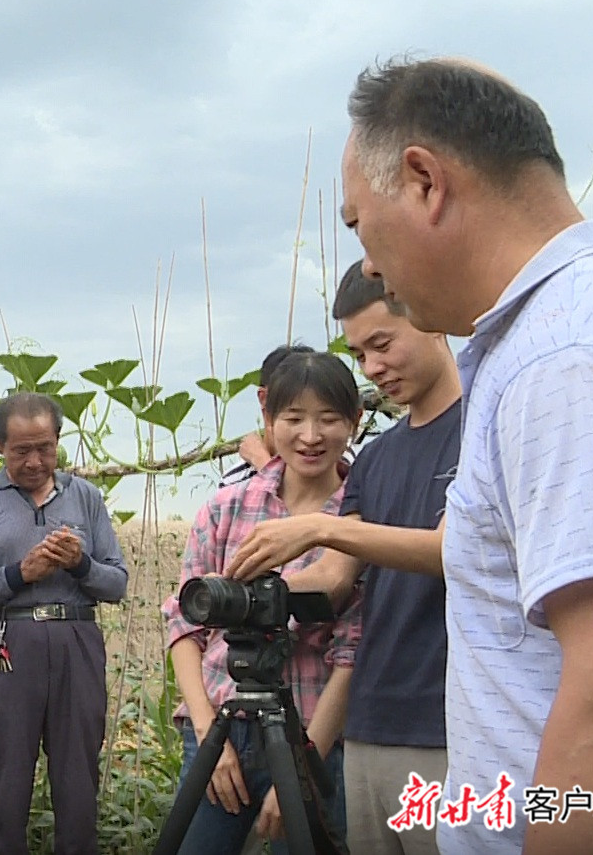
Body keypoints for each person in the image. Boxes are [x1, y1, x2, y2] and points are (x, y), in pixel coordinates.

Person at [341, 56, 593, 853]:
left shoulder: (571, 357)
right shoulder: (587, 326)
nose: (366, 262)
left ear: (423, 182)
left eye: (356, 222)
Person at [226, 262, 460, 855]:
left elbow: (450, 550)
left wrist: (316, 527)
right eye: (360, 355)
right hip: (369, 725)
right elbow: (334, 579)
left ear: (431, 319)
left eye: (382, 344)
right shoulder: (378, 458)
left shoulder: (482, 426)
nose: (373, 367)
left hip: (450, 725)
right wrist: (256, 593)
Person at [162, 351, 361, 853]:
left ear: (354, 423)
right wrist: (211, 735)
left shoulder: (360, 519)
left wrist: (306, 764)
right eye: (293, 419)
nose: (310, 436)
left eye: (329, 419)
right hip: (220, 731)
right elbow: (184, 623)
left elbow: (353, 650)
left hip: (314, 731)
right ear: (269, 423)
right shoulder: (227, 509)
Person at [0, 392, 129, 855]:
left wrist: (80, 564)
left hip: (77, 640)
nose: (34, 461)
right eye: (21, 450)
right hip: (8, 644)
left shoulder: (85, 497)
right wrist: (17, 574)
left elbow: (117, 583)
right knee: (7, 772)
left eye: (45, 448)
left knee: (78, 774)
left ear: (58, 441)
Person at [222, 343, 319, 486]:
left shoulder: (334, 468)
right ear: (264, 398)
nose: (310, 437)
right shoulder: (235, 479)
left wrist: (262, 462)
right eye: (294, 418)